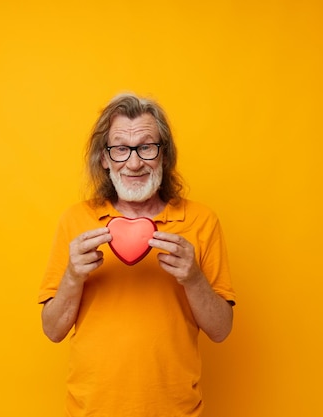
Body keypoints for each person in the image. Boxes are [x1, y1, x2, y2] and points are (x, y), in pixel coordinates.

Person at [38, 93, 236, 417]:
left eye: (146, 147)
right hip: (91, 411)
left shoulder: (201, 222)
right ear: (104, 158)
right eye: (120, 149)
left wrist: (193, 277)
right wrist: (73, 276)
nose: (134, 163)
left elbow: (221, 330)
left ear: (164, 155)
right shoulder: (74, 222)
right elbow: (53, 330)